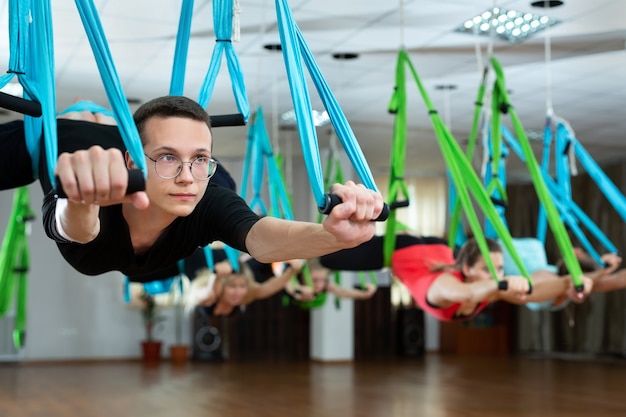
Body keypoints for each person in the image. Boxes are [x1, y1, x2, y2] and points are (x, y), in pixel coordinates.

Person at [2, 95, 383, 278]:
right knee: (70, 127)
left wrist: (334, 236)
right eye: (168, 156)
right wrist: (81, 196)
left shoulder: (204, 193)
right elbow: (77, 227)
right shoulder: (87, 174)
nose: (187, 176)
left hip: (133, 158)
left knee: (218, 186)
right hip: (71, 139)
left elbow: (260, 238)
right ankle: (88, 116)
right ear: (131, 160)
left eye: (200, 157)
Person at [322, 236, 593, 322]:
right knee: (326, 258)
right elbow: (466, 295)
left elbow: (533, 293)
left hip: (440, 248)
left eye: (500, 269)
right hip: (400, 248)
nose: (498, 275)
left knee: (328, 258)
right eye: (489, 269)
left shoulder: (492, 286)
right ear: (469, 270)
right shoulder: (446, 286)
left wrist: (573, 282)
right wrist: (502, 283)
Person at [189, 257, 305, 316]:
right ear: (223, 286)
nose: (238, 292)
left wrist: (293, 271)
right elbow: (208, 292)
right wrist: (216, 275)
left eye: (242, 286)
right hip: (196, 262)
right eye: (232, 287)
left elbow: (268, 288)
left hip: (239, 264)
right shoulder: (205, 294)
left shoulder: (247, 291)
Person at [283, 257, 377, 304]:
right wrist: (298, 291)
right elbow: (289, 285)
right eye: (315, 280)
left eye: (323, 279)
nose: (319, 285)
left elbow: (341, 292)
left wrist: (363, 294)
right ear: (304, 274)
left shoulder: (324, 284)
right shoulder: (294, 271)